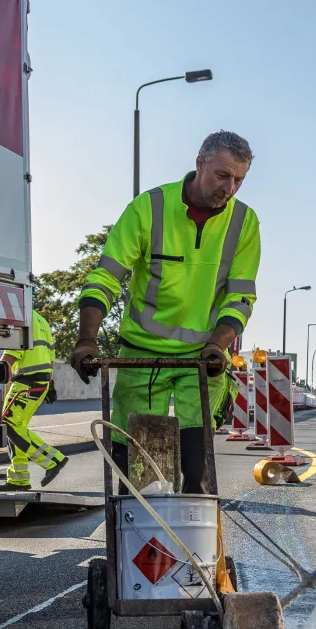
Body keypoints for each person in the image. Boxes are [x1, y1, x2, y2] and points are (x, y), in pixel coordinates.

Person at [70, 131, 260, 493]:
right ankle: (138, 546)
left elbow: (239, 298)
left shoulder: (244, 223)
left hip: (202, 360)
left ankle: (194, 546)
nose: (230, 187)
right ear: (200, 164)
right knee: (138, 473)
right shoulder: (149, 208)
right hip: (142, 354)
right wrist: (86, 339)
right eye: (223, 175)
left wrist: (219, 345)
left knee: (195, 467)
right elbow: (106, 277)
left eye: (239, 179)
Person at [2, 309, 67, 490]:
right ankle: (18, 479)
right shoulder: (41, 320)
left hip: (26, 382)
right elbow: (51, 356)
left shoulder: (18, 316)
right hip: (41, 381)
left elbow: (11, 355)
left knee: (8, 424)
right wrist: (50, 384)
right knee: (17, 428)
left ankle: (53, 460)